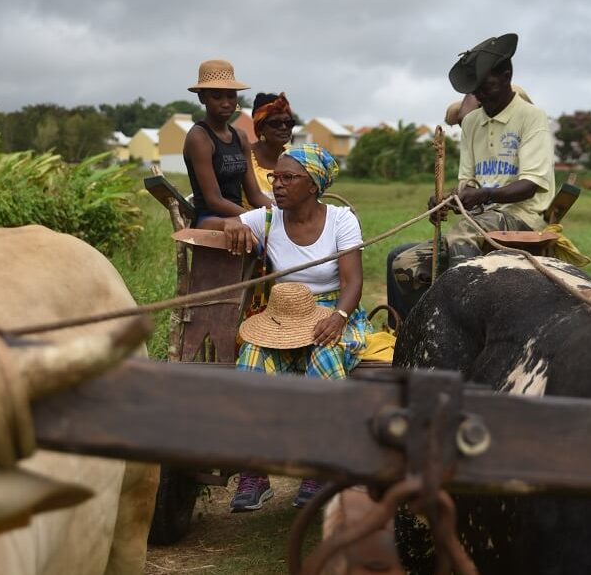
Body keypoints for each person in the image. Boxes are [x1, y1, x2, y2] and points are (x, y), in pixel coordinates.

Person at [200, 143, 372, 512]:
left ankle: (317, 467)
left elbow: (353, 282)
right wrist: (232, 223)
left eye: (288, 178)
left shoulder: (341, 220)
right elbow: (206, 223)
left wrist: (338, 319)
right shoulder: (266, 219)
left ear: (312, 185)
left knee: (325, 356)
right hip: (281, 313)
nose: (277, 185)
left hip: (331, 310)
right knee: (252, 359)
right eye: (275, 177)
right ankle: (255, 473)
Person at [389, 33, 555, 318]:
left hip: (520, 218)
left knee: (464, 233)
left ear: (506, 76)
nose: (479, 95)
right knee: (403, 265)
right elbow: (468, 183)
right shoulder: (472, 123)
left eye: (486, 86)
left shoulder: (531, 117)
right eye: (475, 89)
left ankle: (466, 324)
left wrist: (486, 194)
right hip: (477, 222)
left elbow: (530, 185)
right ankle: (423, 330)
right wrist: (447, 200)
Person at [184, 59, 272, 225]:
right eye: (217, 97)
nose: (226, 103)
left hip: (239, 217)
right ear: (202, 98)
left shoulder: (240, 136)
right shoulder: (199, 138)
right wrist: (255, 218)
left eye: (231, 96)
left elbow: (254, 195)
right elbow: (214, 200)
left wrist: (279, 213)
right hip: (211, 220)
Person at [248, 92, 297, 198]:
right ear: (260, 128)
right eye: (275, 123)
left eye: (289, 123)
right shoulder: (245, 156)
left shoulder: (296, 157)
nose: (284, 127)